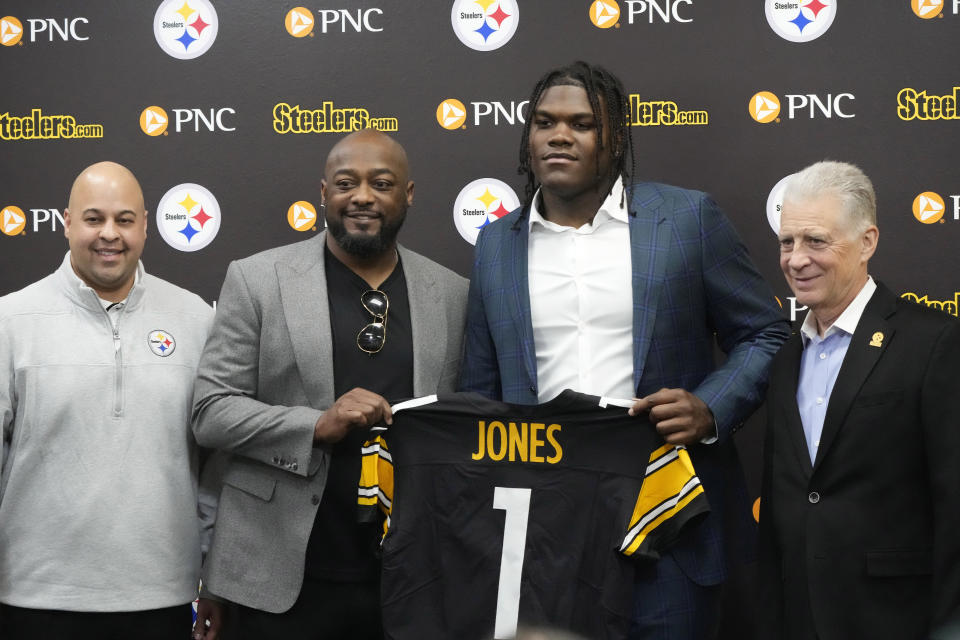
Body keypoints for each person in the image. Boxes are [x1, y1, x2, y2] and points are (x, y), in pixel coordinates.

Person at [459, 61, 789, 639]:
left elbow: (765, 332)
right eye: (544, 122)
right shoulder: (495, 243)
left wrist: (710, 407)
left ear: (615, 140)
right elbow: (482, 389)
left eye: (582, 124)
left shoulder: (687, 220)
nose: (559, 135)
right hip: (543, 533)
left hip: (669, 521)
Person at [191, 129, 468, 640]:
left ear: (407, 195)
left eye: (381, 183)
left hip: (410, 573)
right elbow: (211, 411)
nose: (362, 195)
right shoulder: (258, 279)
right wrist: (315, 424)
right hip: (280, 573)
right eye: (346, 183)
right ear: (323, 193)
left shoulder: (453, 294)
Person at [0, 161, 215, 639]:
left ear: (144, 225)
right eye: (94, 218)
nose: (109, 234)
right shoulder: (10, 321)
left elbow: (215, 464)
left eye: (123, 219)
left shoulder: (196, 319)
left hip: (163, 595)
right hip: (34, 597)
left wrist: (215, 577)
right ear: (66, 223)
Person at [758, 160, 960, 640]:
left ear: (867, 241)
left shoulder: (932, 343)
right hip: (799, 619)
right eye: (787, 242)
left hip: (898, 620)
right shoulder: (786, 357)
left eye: (815, 241)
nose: (796, 259)